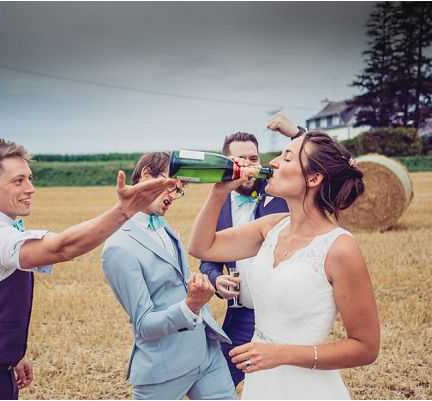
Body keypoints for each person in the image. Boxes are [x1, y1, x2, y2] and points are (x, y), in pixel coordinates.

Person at [0, 139, 175, 400]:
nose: (31, 188)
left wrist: (12, 354)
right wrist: (125, 210)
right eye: (18, 181)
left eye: (30, 178)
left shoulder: (1, 231)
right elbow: (62, 247)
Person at [188, 115, 380, 399]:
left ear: (313, 178)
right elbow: (202, 247)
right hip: (262, 382)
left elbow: (366, 347)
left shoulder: (339, 248)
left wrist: (280, 354)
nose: (273, 163)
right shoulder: (271, 227)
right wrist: (218, 193)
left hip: (307, 388)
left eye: (287, 158)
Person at [101, 152, 236, 400]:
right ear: (146, 176)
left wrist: (198, 284)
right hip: (163, 368)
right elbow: (144, 325)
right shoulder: (117, 249)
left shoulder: (165, 227)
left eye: (179, 190)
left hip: (206, 352)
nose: (174, 196)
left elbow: (175, 283)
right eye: (172, 186)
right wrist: (191, 305)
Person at [199, 132, 288, 387]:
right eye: (240, 160)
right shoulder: (217, 204)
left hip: (282, 312)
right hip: (242, 313)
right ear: (227, 163)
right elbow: (207, 258)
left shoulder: (281, 193)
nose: (249, 165)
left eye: (254, 158)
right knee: (220, 384)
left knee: (280, 383)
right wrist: (217, 280)